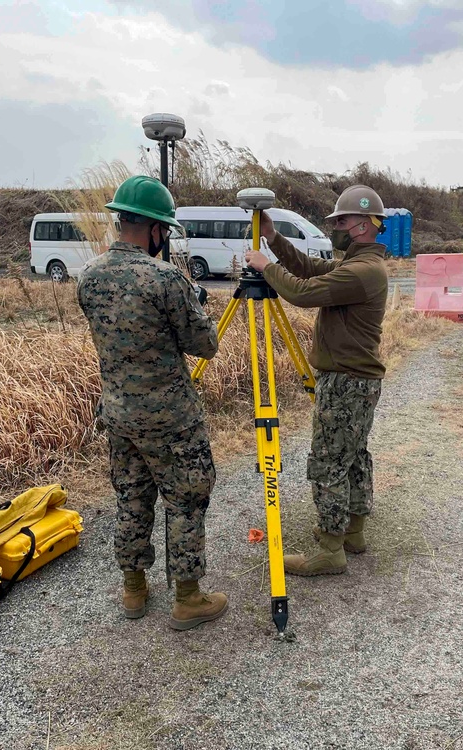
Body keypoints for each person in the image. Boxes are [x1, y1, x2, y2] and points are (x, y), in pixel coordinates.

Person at [77, 175, 228, 630]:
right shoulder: (165, 279)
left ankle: (134, 589)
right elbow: (205, 345)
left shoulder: (89, 276)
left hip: (119, 414)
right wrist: (198, 306)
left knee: (132, 497)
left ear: (123, 220)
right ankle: (187, 597)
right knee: (184, 499)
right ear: (155, 229)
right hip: (170, 419)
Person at [244, 185, 388, 577]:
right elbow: (310, 269)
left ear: (362, 225)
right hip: (356, 380)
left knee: (327, 464)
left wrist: (264, 266)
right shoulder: (357, 265)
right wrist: (274, 240)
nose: (335, 227)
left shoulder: (362, 272)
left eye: (340, 221)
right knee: (352, 457)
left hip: (346, 383)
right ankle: (352, 532)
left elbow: (303, 293)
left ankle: (329, 549)